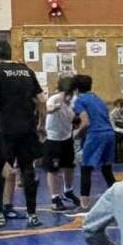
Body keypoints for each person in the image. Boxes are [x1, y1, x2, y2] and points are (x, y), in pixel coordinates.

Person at [0, 39, 46, 229]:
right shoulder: (26, 70)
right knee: (28, 169)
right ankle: (32, 215)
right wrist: (41, 124)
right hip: (27, 129)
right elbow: (41, 100)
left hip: (4, 129)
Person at [71, 75, 117, 210]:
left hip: (96, 134)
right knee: (107, 169)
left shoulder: (80, 100)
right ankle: (119, 198)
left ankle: (84, 205)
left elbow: (85, 123)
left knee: (86, 168)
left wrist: (76, 134)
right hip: (110, 133)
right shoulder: (98, 99)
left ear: (76, 88)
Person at [41, 76, 82, 211]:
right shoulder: (55, 99)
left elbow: (75, 117)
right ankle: (55, 198)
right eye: (66, 94)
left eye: (71, 94)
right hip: (53, 139)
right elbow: (47, 108)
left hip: (67, 138)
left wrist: (77, 121)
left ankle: (68, 191)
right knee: (53, 169)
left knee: (69, 166)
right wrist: (53, 108)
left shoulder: (73, 100)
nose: (68, 97)